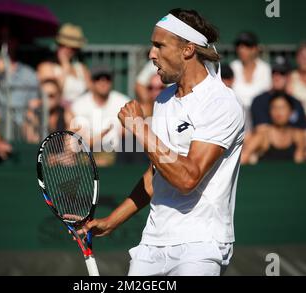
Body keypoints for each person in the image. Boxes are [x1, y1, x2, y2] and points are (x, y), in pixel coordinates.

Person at [80, 9, 245, 276]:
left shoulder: (221, 103)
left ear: (188, 50)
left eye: (159, 45)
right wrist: (112, 221)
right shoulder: (164, 100)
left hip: (201, 246)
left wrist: (140, 129)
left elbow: (187, 179)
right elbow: (156, 175)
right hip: (152, 244)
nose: (151, 54)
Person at [0, 29, 39, 137]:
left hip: (19, 127)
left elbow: (33, 106)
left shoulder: (29, 74)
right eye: (0, 37)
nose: (4, 41)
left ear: (16, 41)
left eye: (8, 37)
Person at [71, 66, 129, 166]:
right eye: (98, 79)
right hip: (84, 155)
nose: (103, 82)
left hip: (115, 156)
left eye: (107, 79)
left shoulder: (123, 102)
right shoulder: (78, 105)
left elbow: (128, 133)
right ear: (91, 82)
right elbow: (75, 138)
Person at [242, 93, 305, 164]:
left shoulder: (297, 135)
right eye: (274, 107)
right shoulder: (263, 136)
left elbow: (300, 162)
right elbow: (243, 157)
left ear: (291, 112)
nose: (278, 112)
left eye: (282, 107)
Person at [36, 23, 92, 104]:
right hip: (60, 113)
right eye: (64, 45)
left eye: (72, 48)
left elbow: (91, 93)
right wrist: (65, 66)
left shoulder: (81, 68)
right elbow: (52, 94)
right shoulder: (46, 67)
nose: (68, 50)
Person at [230, 32, 271, 129]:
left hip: (260, 116)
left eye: (247, 46)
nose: (241, 50)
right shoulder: (233, 67)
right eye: (239, 46)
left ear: (255, 49)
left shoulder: (265, 69)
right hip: (235, 114)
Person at [22, 79, 74, 143]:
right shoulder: (34, 114)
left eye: (51, 96)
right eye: (43, 96)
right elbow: (31, 141)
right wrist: (31, 113)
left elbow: (70, 146)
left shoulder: (67, 115)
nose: (46, 100)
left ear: (59, 96)